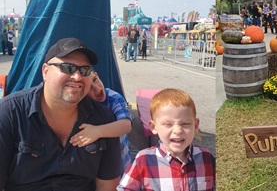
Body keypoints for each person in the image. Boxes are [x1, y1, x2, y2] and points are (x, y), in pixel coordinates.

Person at [0, 37, 122, 190]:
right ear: (45, 71)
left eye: (85, 70)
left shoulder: (103, 120)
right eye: (67, 68)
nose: (77, 77)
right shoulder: (11, 113)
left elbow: (107, 185)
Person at [117, 88, 216, 191]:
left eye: (185, 124)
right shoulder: (143, 160)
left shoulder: (206, 158)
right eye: (168, 124)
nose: (177, 131)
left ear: (195, 126)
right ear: (153, 127)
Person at [70, 71, 132, 172]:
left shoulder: (113, 98)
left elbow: (126, 125)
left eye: (95, 80)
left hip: (121, 163)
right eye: (89, 88)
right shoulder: (82, 106)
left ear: (97, 75)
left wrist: (97, 131)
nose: (97, 88)